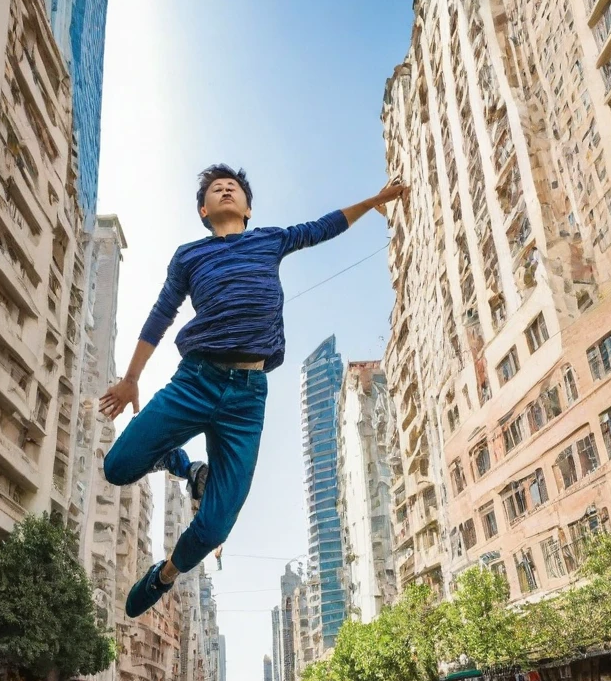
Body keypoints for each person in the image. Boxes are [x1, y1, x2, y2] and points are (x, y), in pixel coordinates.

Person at [100, 164, 408, 617]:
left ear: (247, 208)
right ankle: (187, 467)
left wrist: (373, 202)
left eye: (234, 187)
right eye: (214, 190)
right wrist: (131, 378)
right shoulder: (189, 256)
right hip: (196, 380)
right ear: (204, 210)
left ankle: (164, 575)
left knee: (215, 527)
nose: (225, 189)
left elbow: (322, 227)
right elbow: (161, 314)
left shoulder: (270, 239)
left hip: (247, 398)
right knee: (118, 466)